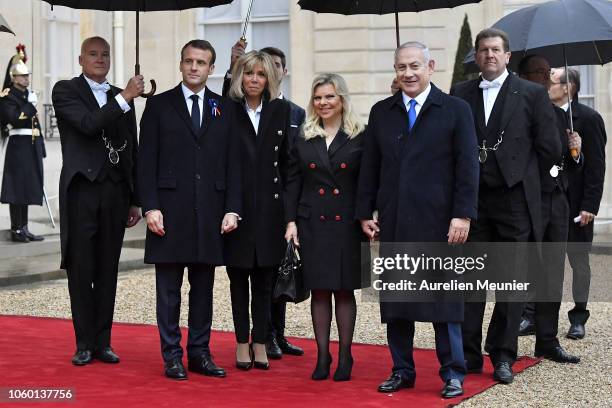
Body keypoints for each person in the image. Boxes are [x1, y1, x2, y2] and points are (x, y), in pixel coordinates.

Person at [357, 41, 479, 398]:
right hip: (395, 221)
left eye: (414, 66)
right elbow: (371, 168)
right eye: (401, 67)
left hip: (442, 223)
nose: (408, 73)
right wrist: (365, 212)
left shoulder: (456, 110)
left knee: (445, 304)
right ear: (395, 71)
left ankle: (453, 372)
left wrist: (463, 215)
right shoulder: (382, 112)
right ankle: (401, 369)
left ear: (431, 66)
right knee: (397, 303)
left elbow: (467, 168)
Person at [450, 28, 561, 383]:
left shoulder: (530, 93)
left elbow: (551, 151)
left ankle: (502, 355)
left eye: (496, 50)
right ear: (477, 57)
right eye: (483, 50)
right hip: (473, 203)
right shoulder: (461, 94)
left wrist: (532, 188)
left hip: (515, 203)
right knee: (470, 285)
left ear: (507, 55)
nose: (490, 55)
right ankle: (467, 357)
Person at [138, 39, 241, 380]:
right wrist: (150, 206)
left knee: (203, 289)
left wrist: (232, 209)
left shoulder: (224, 108)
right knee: (168, 291)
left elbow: (233, 165)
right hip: (168, 211)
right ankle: (171, 355)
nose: (194, 67)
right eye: (189, 61)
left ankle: (199, 353)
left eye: (201, 62)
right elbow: (145, 161)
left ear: (212, 69)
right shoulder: (159, 105)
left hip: (210, 213)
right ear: (181, 64)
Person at [52, 36, 143, 366]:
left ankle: (104, 342)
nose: (100, 58)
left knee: (108, 268)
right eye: (93, 54)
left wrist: (136, 198)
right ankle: (84, 343)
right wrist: (125, 97)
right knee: (81, 267)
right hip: (81, 191)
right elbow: (88, 125)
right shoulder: (65, 91)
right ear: (81, 59)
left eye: (105, 54)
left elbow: (132, 148)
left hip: (115, 192)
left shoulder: (123, 94)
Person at [223, 43, 305, 359]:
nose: (254, 79)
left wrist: (289, 217)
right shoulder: (226, 109)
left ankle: (261, 342)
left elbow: (288, 166)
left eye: (260, 74)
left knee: (264, 280)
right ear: (239, 76)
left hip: (271, 210)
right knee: (238, 280)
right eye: (248, 73)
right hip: (237, 208)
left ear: (269, 77)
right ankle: (242, 342)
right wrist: (232, 62)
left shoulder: (281, 110)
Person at [284, 73, 366, 381]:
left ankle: (345, 356)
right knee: (319, 291)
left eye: (330, 96)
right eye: (318, 97)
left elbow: (368, 181)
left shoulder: (361, 134)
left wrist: (368, 215)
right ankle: (322, 356)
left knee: (344, 291)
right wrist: (290, 221)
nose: (323, 103)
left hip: (347, 222)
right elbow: (293, 181)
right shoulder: (304, 134)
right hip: (312, 222)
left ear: (342, 98)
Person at [516, 54, 580, 363]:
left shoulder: (558, 115)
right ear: (524, 77)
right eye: (538, 73)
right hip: (526, 201)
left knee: (552, 273)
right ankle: (505, 344)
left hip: (557, 200)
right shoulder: (515, 111)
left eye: (547, 72)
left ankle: (547, 339)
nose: (545, 78)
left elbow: (570, 163)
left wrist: (575, 150)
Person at [549, 67, 607, 340]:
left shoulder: (590, 118)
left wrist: (590, 207)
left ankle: (579, 317)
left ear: (568, 87)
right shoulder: (542, 116)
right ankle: (536, 316)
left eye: (551, 81)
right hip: (548, 203)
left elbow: (596, 167)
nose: (546, 85)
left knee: (579, 264)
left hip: (577, 206)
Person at [0, 44, 45, 243]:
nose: (27, 78)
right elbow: (15, 118)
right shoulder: (7, 97)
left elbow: (35, 125)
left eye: (27, 75)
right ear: (14, 78)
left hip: (31, 145)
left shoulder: (28, 95)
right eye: (23, 76)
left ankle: (24, 227)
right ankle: (16, 229)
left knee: (26, 188)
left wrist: (41, 147)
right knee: (17, 188)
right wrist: (30, 105)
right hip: (18, 145)